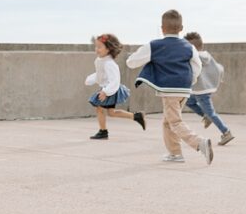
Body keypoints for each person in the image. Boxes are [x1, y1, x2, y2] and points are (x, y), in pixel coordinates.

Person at [127, 10, 213, 165]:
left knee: (175, 122)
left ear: (162, 28)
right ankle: (175, 153)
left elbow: (132, 62)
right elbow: (197, 66)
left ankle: (199, 143)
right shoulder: (189, 47)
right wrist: (189, 80)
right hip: (184, 90)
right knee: (168, 121)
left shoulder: (154, 46)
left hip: (169, 90)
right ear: (181, 28)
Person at [85, 34, 146, 139]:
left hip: (110, 89)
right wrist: (91, 79)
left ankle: (103, 131)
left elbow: (115, 80)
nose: (97, 49)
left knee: (99, 108)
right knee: (111, 112)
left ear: (108, 49)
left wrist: (106, 92)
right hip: (106, 89)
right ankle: (136, 116)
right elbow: (101, 75)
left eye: (99, 47)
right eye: (96, 46)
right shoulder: (101, 60)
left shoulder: (109, 63)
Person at [184, 32, 235, 146]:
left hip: (201, 91)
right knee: (189, 101)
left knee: (211, 113)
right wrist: (219, 79)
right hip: (201, 90)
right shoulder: (207, 55)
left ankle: (226, 132)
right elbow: (219, 68)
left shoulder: (193, 57)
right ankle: (206, 116)